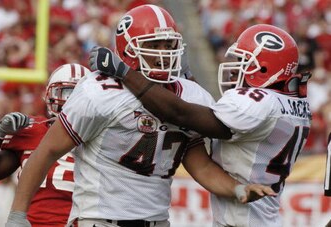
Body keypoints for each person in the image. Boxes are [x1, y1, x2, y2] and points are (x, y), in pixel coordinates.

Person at [6, 5, 275, 227]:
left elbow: (200, 165)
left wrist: (237, 188)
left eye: (169, 43)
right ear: (128, 49)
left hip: (157, 221)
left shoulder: (192, 94)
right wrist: (18, 214)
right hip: (101, 220)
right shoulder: (99, 90)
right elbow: (46, 151)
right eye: (155, 44)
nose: (164, 53)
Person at [88, 24, 312, 227]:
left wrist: (123, 72)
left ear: (264, 68)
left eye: (245, 62)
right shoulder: (294, 104)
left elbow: (180, 114)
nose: (235, 68)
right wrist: (188, 78)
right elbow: (210, 115)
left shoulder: (258, 102)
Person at [0, 63, 90, 226]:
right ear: (50, 95)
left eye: (79, 94)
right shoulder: (31, 129)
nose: (72, 101)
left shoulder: (101, 135)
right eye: (67, 93)